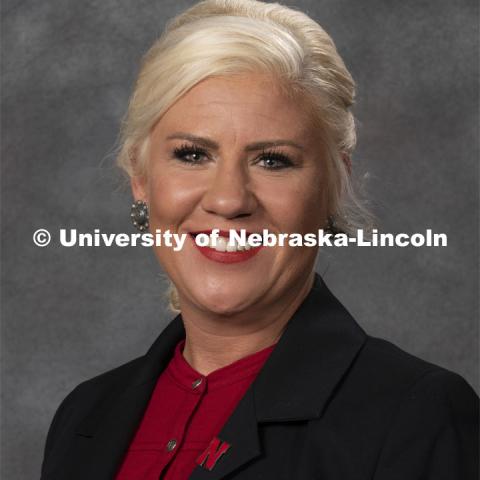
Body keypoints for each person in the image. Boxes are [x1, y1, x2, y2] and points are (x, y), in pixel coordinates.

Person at [40, 0, 479, 479]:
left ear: (332, 188)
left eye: (272, 160)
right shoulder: (84, 414)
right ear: (141, 178)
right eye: (191, 155)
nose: (229, 200)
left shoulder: (417, 415)